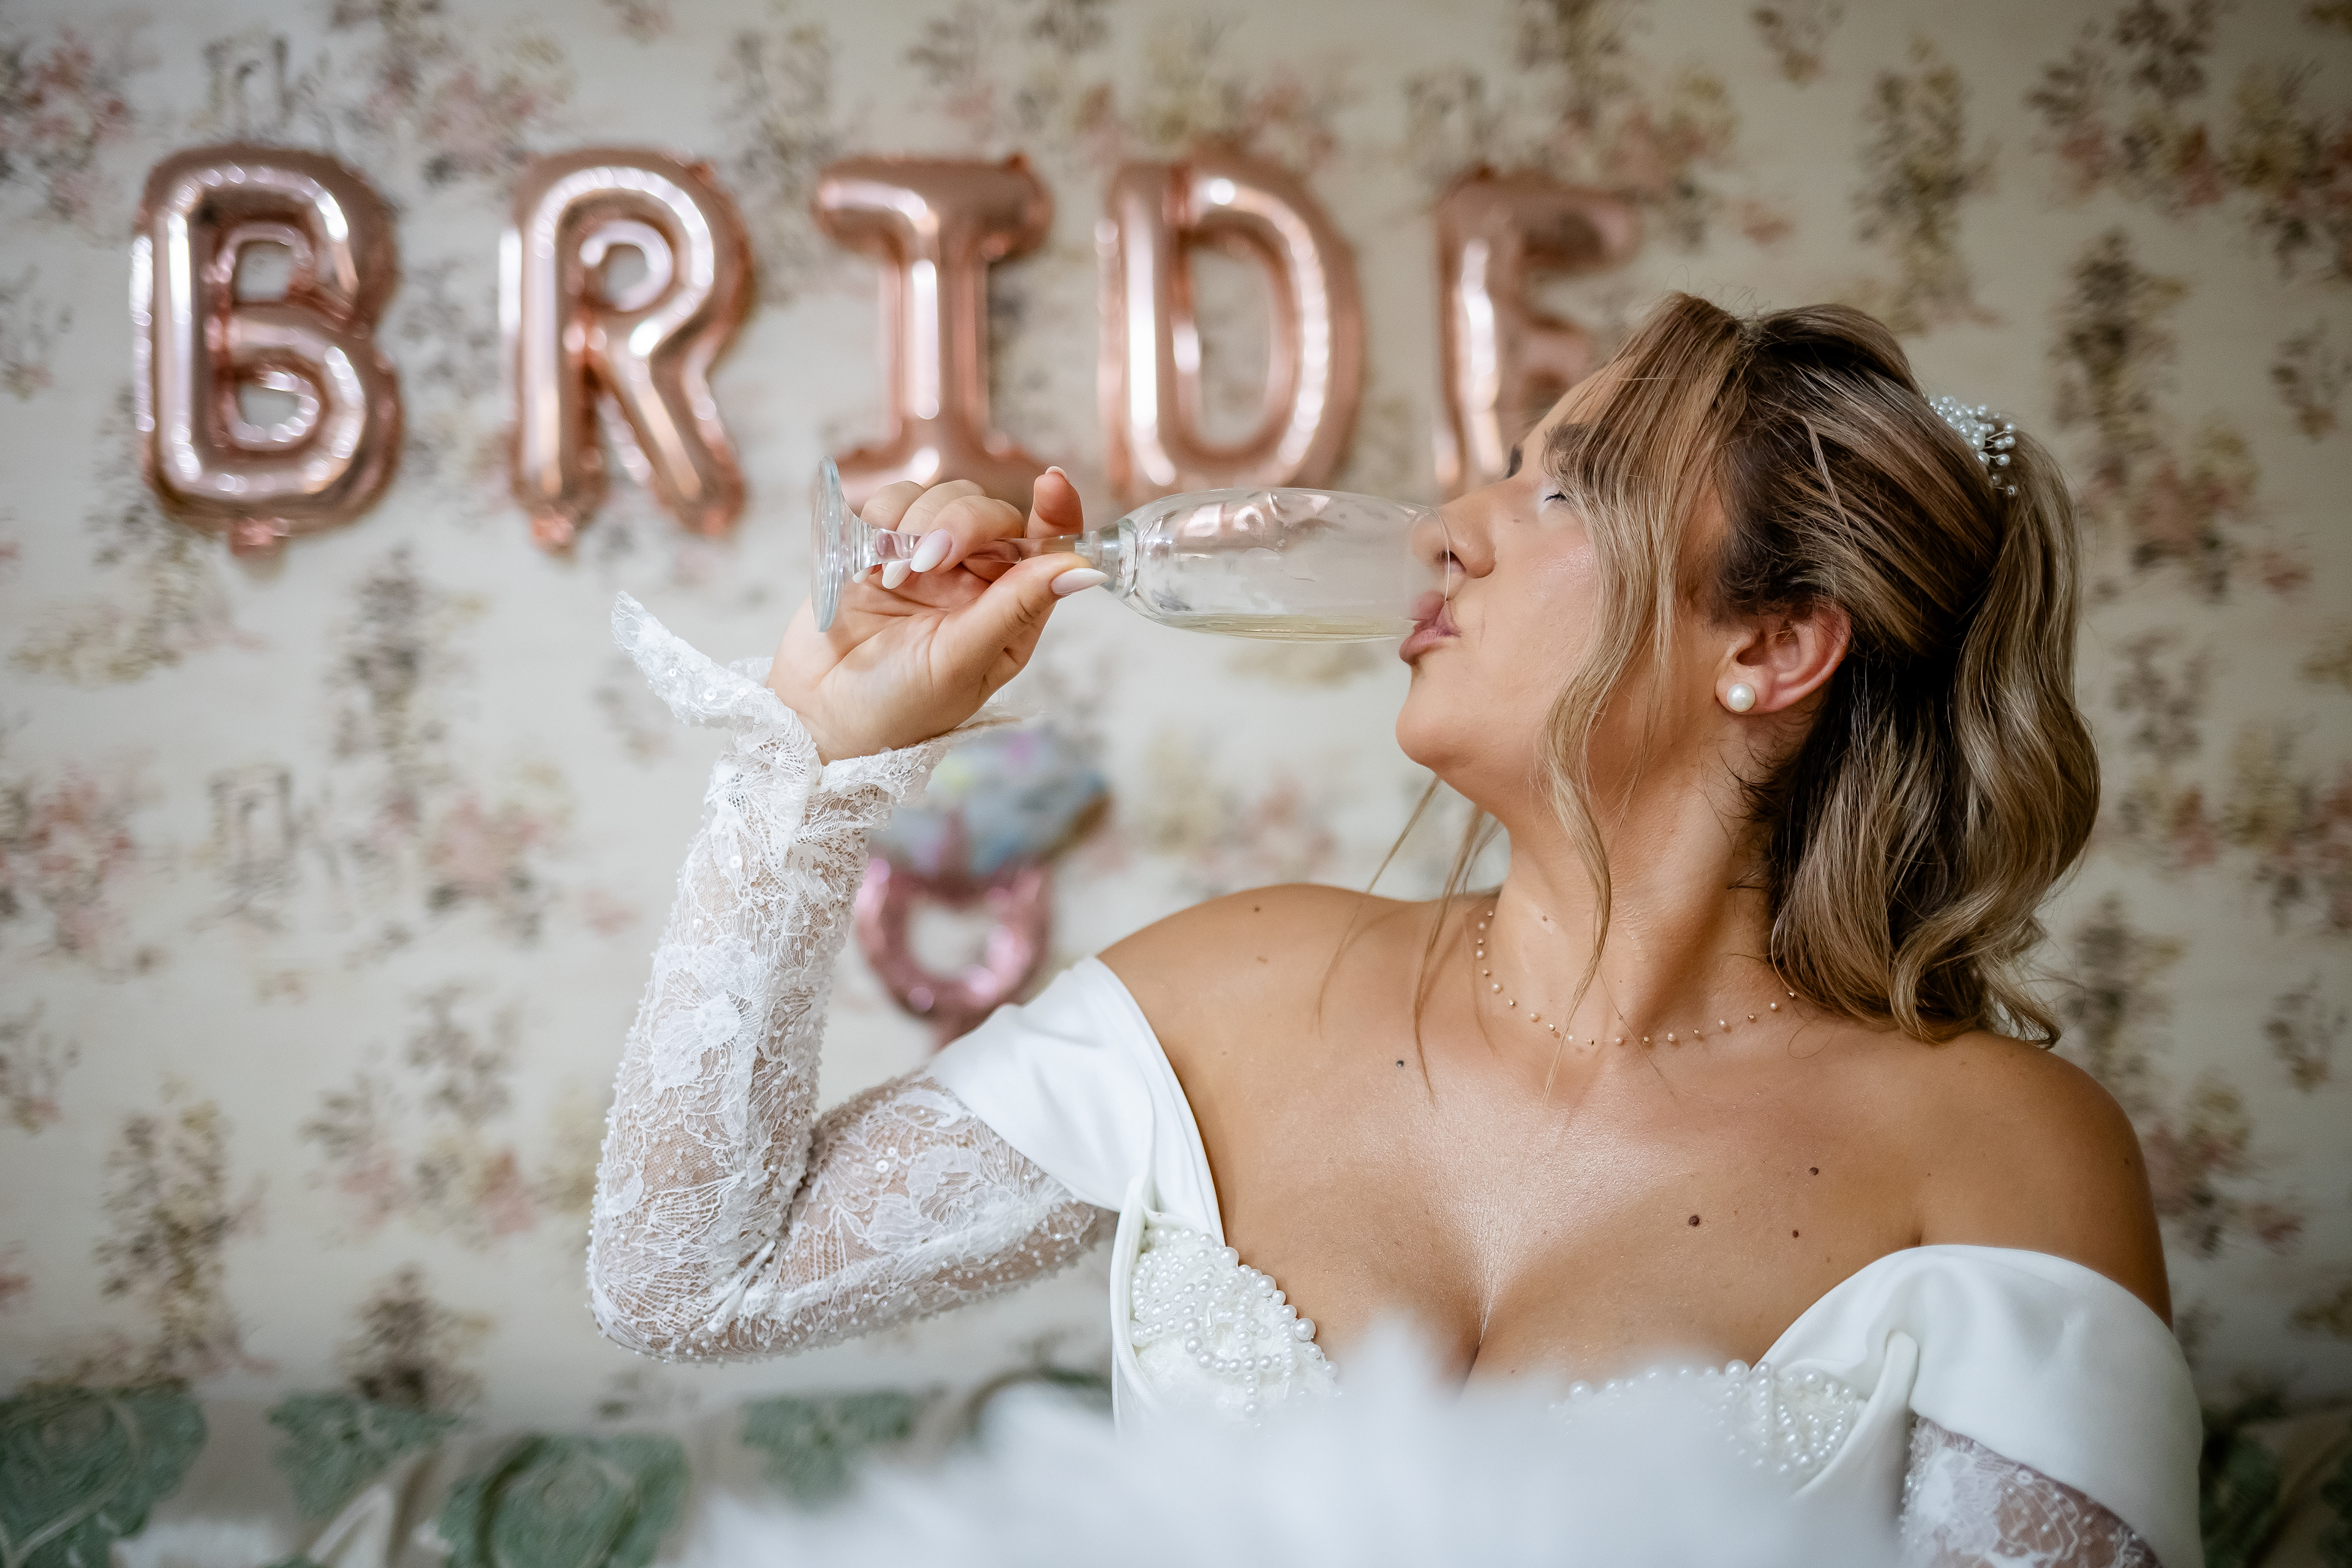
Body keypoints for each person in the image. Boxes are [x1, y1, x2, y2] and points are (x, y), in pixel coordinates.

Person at [590, 294, 2202, 1566]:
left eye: (1564, 485)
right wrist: (821, 756)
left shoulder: (2001, 1153)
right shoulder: (1237, 988)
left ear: (1772, 649)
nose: (1444, 528)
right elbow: (689, 1281)